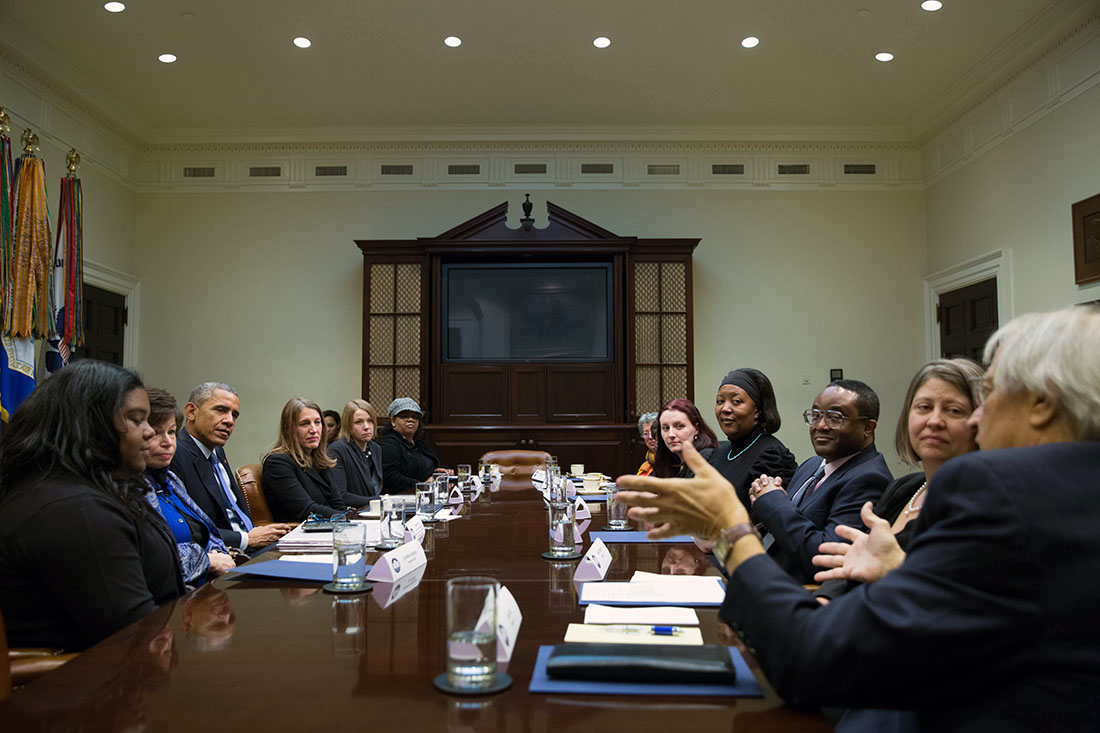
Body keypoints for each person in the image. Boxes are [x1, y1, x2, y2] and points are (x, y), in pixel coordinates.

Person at [615, 306, 1100, 731]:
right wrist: (897, 575)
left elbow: (816, 661)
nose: (973, 420)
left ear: (1043, 403)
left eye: (988, 395)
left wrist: (731, 529)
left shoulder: (995, 491)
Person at [0, 360, 184, 651]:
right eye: (137, 419)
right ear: (92, 424)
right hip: (87, 689)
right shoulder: (74, 510)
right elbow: (137, 640)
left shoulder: (94, 490)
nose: (150, 432)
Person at [815, 359, 983, 601]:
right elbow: (857, 561)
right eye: (924, 407)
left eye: (954, 410)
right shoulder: (905, 489)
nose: (934, 421)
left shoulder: (981, 502)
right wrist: (822, 603)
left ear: (979, 422)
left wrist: (897, 568)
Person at [746, 379, 892, 584]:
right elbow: (791, 525)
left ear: (868, 427)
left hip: (802, 596)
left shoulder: (870, 479)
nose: (821, 426)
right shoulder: (812, 465)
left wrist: (773, 503)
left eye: (834, 417)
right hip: (762, 577)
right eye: (815, 416)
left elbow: (825, 560)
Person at [170, 382, 290, 553]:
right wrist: (246, 539)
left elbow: (233, 510)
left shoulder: (217, 450)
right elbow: (188, 528)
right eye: (220, 410)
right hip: (224, 553)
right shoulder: (174, 454)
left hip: (251, 544)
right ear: (191, 411)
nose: (229, 421)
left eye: (234, 415)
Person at [143, 388, 237, 586]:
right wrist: (207, 560)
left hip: (216, 579)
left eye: (171, 432)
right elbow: (148, 559)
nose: (168, 442)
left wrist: (219, 554)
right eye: (155, 433)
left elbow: (208, 532)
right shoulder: (128, 488)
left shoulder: (171, 480)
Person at [706, 368, 798, 509]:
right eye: (720, 401)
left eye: (736, 401)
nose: (725, 408)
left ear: (757, 411)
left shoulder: (771, 456)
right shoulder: (719, 453)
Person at [262, 397, 347, 522]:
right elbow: (306, 510)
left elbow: (338, 504)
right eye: (305, 424)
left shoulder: (319, 460)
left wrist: (350, 521)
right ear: (288, 429)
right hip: (297, 534)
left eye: (317, 422)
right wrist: (346, 518)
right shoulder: (277, 463)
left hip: (330, 529)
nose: (314, 430)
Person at [379, 397, 446, 492]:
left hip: (425, 495)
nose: (410, 419)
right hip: (400, 498)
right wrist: (422, 484)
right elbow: (390, 478)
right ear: (393, 421)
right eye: (404, 416)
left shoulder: (420, 443)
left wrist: (441, 471)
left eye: (415, 417)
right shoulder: (388, 445)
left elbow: (431, 466)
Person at [327, 399, 384, 505]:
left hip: (373, 511)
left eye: (370, 420)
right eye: (358, 422)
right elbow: (341, 495)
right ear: (348, 425)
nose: (366, 427)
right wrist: (378, 500)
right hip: (350, 514)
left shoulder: (375, 448)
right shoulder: (337, 449)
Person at [650, 398, 718, 478]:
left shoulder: (707, 459)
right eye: (666, 428)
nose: (671, 434)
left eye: (679, 426)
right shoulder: (668, 461)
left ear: (696, 428)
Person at [635, 411, 659, 475]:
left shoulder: (671, 461)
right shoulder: (647, 463)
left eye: (654, 432)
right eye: (646, 433)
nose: (650, 437)